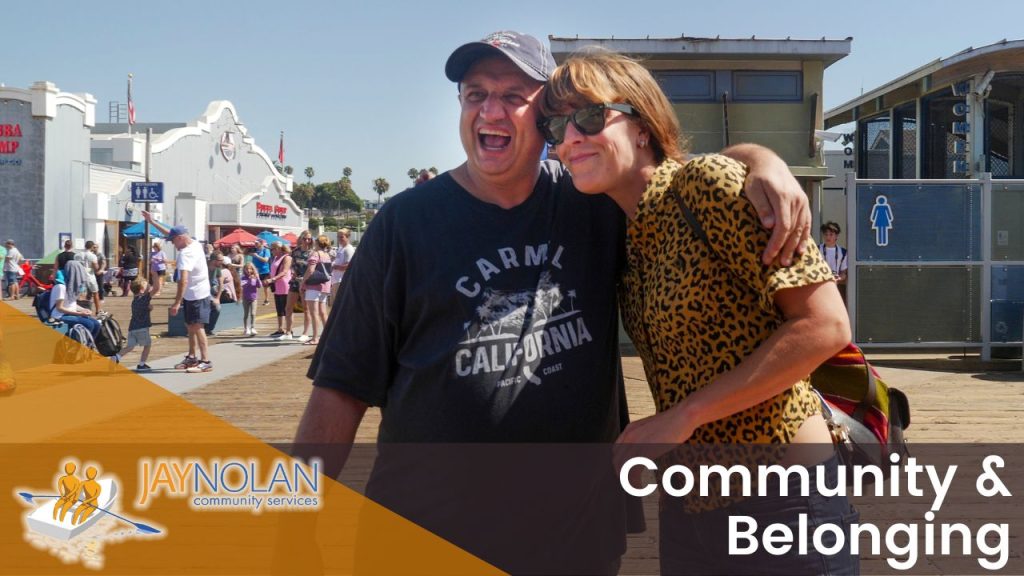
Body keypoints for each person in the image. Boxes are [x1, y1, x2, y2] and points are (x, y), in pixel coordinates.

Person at [296, 31, 813, 574]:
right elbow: (340, 387)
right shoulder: (403, 223)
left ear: (544, 112)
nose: (490, 111)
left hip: (579, 539)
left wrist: (760, 160)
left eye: (513, 95)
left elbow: (671, 175)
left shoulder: (591, 200)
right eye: (475, 95)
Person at [540, 49, 855, 574]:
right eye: (557, 123)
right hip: (692, 506)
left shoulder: (707, 185)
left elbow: (825, 325)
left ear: (641, 125)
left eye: (590, 116)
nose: (570, 136)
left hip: (783, 495)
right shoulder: (624, 228)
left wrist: (683, 417)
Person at [143, 214, 213, 373]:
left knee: (197, 326)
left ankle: (205, 360)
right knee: (190, 325)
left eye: (173, 241)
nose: (173, 244)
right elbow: (171, 232)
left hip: (196, 294)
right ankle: (191, 357)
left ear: (181, 239)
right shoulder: (194, 243)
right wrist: (152, 222)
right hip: (195, 293)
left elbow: (183, 281)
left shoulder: (185, 254)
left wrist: (176, 302)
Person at [49, 267, 101, 339]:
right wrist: (80, 313)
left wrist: (83, 309)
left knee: (96, 324)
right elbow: (59, 308)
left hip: (69, 314)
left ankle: (88, 345)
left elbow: (72, 304)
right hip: (60, 316)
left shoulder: (69, 288)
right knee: (89, 324)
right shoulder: (60, 287)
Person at [300, 235, 331, 345]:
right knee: (323, 313)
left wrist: (303, 282)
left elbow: (310, 270)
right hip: (325, 285)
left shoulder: (315, 254)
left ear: (317, 243)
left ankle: (315, 338)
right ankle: (328, 336)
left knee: (314, 313)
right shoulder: (326, 254)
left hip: (314, 286)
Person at [285, 231, 314, 342]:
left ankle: (305, 333)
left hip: (306, 282)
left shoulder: (313, 252)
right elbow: (292, 265)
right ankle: (288, 331)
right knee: (288, 307)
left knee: (306, 308)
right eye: (305, 238)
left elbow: (313, 268)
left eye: (309, 239)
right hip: (295, 281)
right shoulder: (295, 252)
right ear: (301, 239)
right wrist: (293, 273)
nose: (307, 241)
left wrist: (305, 278)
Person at [121, 277, 154, 371]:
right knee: (147, 345)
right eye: (146, 285)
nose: (148, 286)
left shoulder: (135, 300)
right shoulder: (144, 298)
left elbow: (143, 309)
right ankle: (142, 364)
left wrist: (149, 308)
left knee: (129, 347)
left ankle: (116, 357)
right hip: (142, 328)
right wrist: (155, 274)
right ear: (142, 289)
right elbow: (156, 288)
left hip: (132, 328)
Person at [264, 242, 293, 339]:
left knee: (287, 309)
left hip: (284, 285)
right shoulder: (275, 258)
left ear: (278, 248)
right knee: (279, 308)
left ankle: (289, 329)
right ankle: (280, 329)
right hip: (277, 285)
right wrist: (270, 278)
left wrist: (272, 279)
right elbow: (273, 271)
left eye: (272, 249)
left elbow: (284, 271)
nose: (271, 251)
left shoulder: (287, 257)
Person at [205, 254, 236, 337]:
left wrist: (217, 298)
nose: (222, 262)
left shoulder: (218, 269)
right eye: (221, 260)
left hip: (210, 290)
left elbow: (221, 284)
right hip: (201, 289)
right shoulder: (204, 266)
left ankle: (209, 329)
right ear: (214, 260)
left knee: (217, 308)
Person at [820, 221, 849, 301]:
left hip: (836, 286)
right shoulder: (817, 250)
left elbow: (843, 273)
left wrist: (837, 278)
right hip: (820, 285)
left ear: (836, 236)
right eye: (826, 234)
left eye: (831, 234)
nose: (828, 237)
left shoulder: (843, 252)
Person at [329, 228, 355, 304]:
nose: (339, 239)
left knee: (338, 304)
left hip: (341, 281)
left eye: (341, 237)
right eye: (338, 236)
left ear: (347, 237)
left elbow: (349, 266)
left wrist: (335, 266)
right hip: (336, 280)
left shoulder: (348, 249)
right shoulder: (341, 248)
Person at [240, 262, 261, 336]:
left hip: (254, 298)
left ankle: (253, 327)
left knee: (253, 313)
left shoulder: (254, 276)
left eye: (250, 269)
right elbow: (243, 285)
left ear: (253, 269)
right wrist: (249, 280)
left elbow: (259, 286)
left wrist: (257, 278)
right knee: (246, 314)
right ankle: (246, 329)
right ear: (244, 270)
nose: (248, 270)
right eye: (247, 269)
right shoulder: (243, 277)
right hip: (245, 298)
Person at [251, 239, 272, 305]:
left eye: (257, 243)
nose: (255, 244)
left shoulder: (266, 250)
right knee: (254, 285)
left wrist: (256, 256)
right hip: (255, 271)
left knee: (265, 286)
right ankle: (254, 299)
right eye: (255, 243)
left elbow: (265, 260)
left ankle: (266, 300)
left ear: (261, 243)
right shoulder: (255, 251)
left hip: (264, 271)